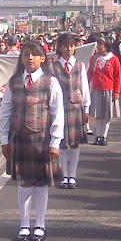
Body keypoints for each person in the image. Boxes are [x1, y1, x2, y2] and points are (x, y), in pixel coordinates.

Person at [0, 41, 64, 241]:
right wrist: (3, 139)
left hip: (41, 140)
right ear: (22, 58)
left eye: (34, 55)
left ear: (43, 58)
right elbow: (5, 111)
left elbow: (57, 113)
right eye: (26, 54)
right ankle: (24, 224)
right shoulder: (14, 82)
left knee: (41, 184)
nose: (30, 58)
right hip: (19, 139)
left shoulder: (50, 82)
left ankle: (40, 225)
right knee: (24, 183)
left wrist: (55, 142)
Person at [50, 33, 89, 189]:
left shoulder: (80, 65)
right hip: (60, 108)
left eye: (72, 46)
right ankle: (64, 174)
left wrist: (86, 108)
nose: (69, 49)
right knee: (61, 143)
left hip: (75, 107)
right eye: (66, 46)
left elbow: (84, 88)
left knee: (74, 144)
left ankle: (72, 175)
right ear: (60, 48)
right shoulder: (54, 67)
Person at [87, 38, 121, 146]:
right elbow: (89, 73)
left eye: (100, 44)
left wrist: (116, 92)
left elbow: (117, 76)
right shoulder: (94, 58)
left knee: (106, 114)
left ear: (106, 46)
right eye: (98, 44)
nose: (98, 46)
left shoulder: (114, 59)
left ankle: (104, 136)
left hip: (108, 89)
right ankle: (98, 136)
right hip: (96, 89)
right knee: (97, 114)